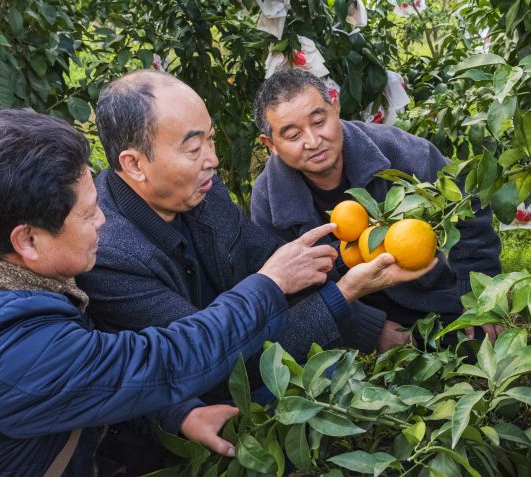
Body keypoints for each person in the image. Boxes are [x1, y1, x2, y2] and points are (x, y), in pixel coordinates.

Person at [0, 109, 346, 476]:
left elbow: (96, 371)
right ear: (26, 240)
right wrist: (269, 285)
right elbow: (162, 359)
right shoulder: (5, 345)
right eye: (87, 216)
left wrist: (177, 413)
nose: (102, 222)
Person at [76, 70, 435, 474]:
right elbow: (213, 368)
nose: (213, 159)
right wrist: (342, 294)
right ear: (135, 164)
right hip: (194, 425)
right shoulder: (108, 253)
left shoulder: (203, 195)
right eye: (195, 149)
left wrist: (365, 253)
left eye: (210, 140)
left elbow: (278, 260)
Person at [250, 69, 502, 342]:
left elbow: (466, 204)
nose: (313, 142)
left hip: (431, 295)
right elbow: (290, 291)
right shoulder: (268, 200)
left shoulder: (398, 150)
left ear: (335, 107)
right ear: (271, 144)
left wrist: (476, 290)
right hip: (346, 321)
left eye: (319, 121)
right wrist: (370, 329)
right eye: (293, 135)